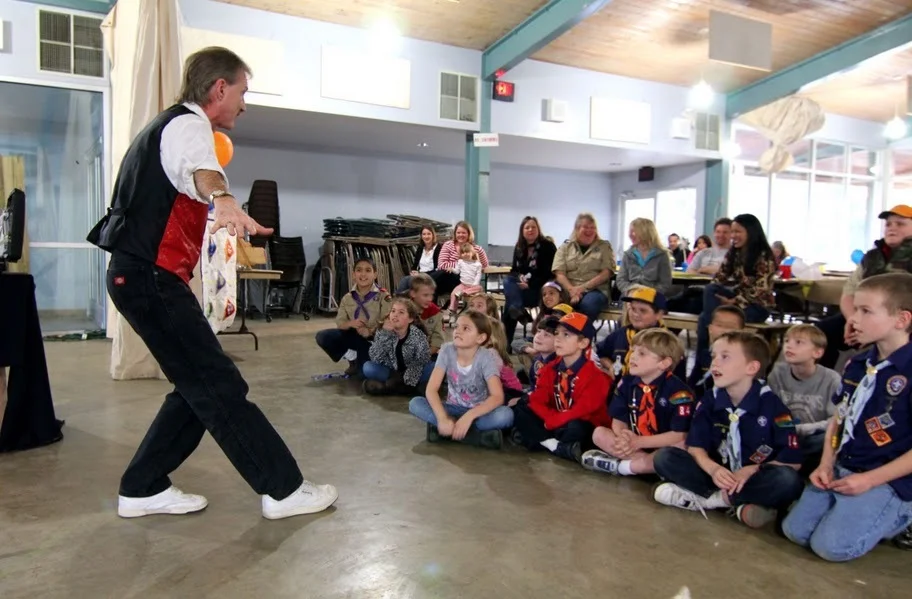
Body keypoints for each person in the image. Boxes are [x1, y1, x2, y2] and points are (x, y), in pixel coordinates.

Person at [89, 47, 336, 520]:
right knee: (219, 382)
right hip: (148, 278)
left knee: (196, 382)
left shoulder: (164, 128)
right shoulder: (188, 126)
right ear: (219, 88)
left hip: (140, 276)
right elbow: (201, 170)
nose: (244, 103)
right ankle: (283, 489)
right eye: (243, 92)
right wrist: (222, 198)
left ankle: (142, 486)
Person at [782, 273, 912, 562]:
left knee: (831, 548)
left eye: (866, 311)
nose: (853, 319)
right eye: (855, 309)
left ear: (901, 320)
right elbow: (839, 419)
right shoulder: (858, 363)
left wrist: (869, 481)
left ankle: (903, 515)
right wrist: (826, 463)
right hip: (845, 464)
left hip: (889, 476)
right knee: (796, 531)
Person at [652, 332, 804, 529]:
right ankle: (739, 503)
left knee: (787, 480)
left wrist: (751, 470)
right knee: (665, 457)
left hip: (752, 478)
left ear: (752, 367)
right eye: (714, 356)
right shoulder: (709, 400)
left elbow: (792, 461)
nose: (715, 363)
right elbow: (695, 446)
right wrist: (713, 469)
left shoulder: (773, 407)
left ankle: (710, 500)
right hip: (716, 475)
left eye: (725, 357)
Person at [582, 329, 694, 477]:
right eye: (632, 351)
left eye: (641, 353)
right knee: (599, 434)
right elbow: (618, 420)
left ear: (664, 363)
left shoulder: (679, 392)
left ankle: (624, 467)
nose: (632, 357)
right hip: (634, 445)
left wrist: (640, 442)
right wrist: (624, 439)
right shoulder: (626, 382)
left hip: (661, 445)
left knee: (682, 446)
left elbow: (679, 435)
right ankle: (645, 467)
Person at [816, 205, 912, 368]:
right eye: (888, 224)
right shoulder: (871, 257)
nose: (892, 228)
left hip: (900, 319)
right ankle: (827, 384)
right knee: (821, 333)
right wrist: (854, 320)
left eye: (900, 224)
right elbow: (849, 292)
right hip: (865, 313)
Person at [511, 312, 612, 462]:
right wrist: (551, 418)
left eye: (566, 335)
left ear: (583, 343)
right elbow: (537, 400)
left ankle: (539, 439)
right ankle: (555, 446)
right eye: (557, 333)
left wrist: (552, 422)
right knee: (522, 407)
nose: (557, 338)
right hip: (557, 419)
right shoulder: (550, 369)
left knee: (576, 428)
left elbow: (582, 411)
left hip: (579, 423)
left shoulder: (597, 376)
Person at [408, 310, 513, 449]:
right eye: (457, 326)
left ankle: (448, 432)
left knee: (505, 415)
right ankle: (474, 435)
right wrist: (442, 417)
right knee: (415, 403)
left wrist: (468, 417)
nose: (458, 331)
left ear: (480, 338)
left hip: (478, 413)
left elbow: (497, 396)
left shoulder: (486, 357)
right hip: (452, 409)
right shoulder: (447, 350)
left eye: (466, 328)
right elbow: (432, 389)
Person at [694, 213, 776, 370]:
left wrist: (735, 301)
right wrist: (724, 297)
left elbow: (761, 289)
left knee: (705, 317)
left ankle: (704, 362)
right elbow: (720, 278)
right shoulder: (734, 252)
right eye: (732, 232)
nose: (733, 236)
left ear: (750, 232)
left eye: (737, 232)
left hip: (756, 306)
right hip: (737, 300)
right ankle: (707, 357)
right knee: (710, 290)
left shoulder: (765, 256)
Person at [766, 324, 841, 474]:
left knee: (827, 440)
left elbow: (835, 420)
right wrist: (790, 428)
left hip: (813, 436)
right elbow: (770, 412)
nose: (789, 346)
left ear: (817, 352)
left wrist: (803, 429)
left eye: (798, 342)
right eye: (786, 341)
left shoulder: (832, 379)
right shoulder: (777, 373)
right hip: (784, 435)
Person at [316, 257, 391, 375]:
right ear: (353, 274)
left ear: (375, 274)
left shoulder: (383, 296)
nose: (363, 274)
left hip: (374, 340)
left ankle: (367, 361)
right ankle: (352, 359)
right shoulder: (347, 298)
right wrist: (351, 324)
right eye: (359, 270)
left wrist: (370, 331)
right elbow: (340, 323)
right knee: (323, 336)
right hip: (355, 335)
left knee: (363, 374)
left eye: (368, 270)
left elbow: (387, 321)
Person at [502, 216, 557, 345]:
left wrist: (530, 284)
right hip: (521, 289)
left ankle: (505, 345)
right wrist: (520, 277)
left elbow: (550, 273)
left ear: (538, 229)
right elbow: (514, 269)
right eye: (527, 227)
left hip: (540, 290)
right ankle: (518, 309)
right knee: (508, 280)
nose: (530, 230)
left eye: (533, 227)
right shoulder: (519, 247)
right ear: (522, 230)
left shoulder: (547, 246)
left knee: (509, 305)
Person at [362, 298, 433, 396]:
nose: (395, 315)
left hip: (413, 372)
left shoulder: (417, 335)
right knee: (368, 367)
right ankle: (407, 388)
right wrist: (386, 335)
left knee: (433, 367)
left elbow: (422, 359)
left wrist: (409, 377)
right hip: (391, 372)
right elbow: (375, 357)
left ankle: (390, 387)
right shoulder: (383, 332)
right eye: (393, 311)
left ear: (410, 319)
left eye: (401, 312)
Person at [552, 213, 615, 321]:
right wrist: (571, 290)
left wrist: (582, 288)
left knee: (588, 305)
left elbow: (606, 273)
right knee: (556, 303)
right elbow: (559, 273)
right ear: (577, 229)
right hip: (568, 289)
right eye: (585, 227)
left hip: (596, 290)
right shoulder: (565, 247)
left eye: (592, 228)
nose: (589, 231)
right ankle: (554, 334)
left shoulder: (604, 247)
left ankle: (580, 336)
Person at [687, 305, 745, 398]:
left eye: (730, 326)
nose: (724, 330)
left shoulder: (745, 360)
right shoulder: (705, 355)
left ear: (742, 332)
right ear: (710, 329)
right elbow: (692, 385)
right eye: (719, 325)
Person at [616, 218, 673, 296]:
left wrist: (648, 293)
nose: (630, 235)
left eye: (634, 232)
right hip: (630, 295)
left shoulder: (662, 255)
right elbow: (621, 279)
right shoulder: (628, 254)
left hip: (653, 296)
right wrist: (631, 291)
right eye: (630, 232)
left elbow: (665, 282)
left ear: (645, 232)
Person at [434, 221, 490, 297]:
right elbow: (441, 264)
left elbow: (485, 265)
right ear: (455, 234)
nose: (461, 235)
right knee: (441, 275)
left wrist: (466, 266)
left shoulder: (477, 249)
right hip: (448, 278)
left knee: (436, 279)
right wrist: (465, 263)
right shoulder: (448, 245)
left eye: (463, 233)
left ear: (469, 234)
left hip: (466, 281)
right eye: (458, 233)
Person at [403, 273, 445, 356]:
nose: (430, 299)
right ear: (413, 294)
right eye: (425, 295)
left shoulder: (435, 313)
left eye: (431, 295)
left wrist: (421, 357)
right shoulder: (401, 309)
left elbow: (436, 342)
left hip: (425, 356)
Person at [396, 226, 441, 294]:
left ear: (433, 235)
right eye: (424, 234)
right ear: (421, 236)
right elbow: (415, 265)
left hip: (431, 277)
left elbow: (438, 269)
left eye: (429, 234)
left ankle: (398, 300)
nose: (426, 236)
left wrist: (420, 274)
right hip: (419, 276)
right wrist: (413, 271)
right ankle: (399, 299)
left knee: (406, 280)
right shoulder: (420, 248)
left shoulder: (438, 248)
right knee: (405, 281)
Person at [447, 243, 484, 325]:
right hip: (463, 285)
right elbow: (457, 271)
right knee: (453, 293)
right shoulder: (460, 262)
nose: (465, 254)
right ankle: (453, 312)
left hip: (473, 286)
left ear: (472, 252)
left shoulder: (477, 264)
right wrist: (451, 269)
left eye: (467, 252)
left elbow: (478, 275)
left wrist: (475, 284)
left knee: (480, 288)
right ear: (461, 254)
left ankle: (463, 293)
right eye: (463, 253)